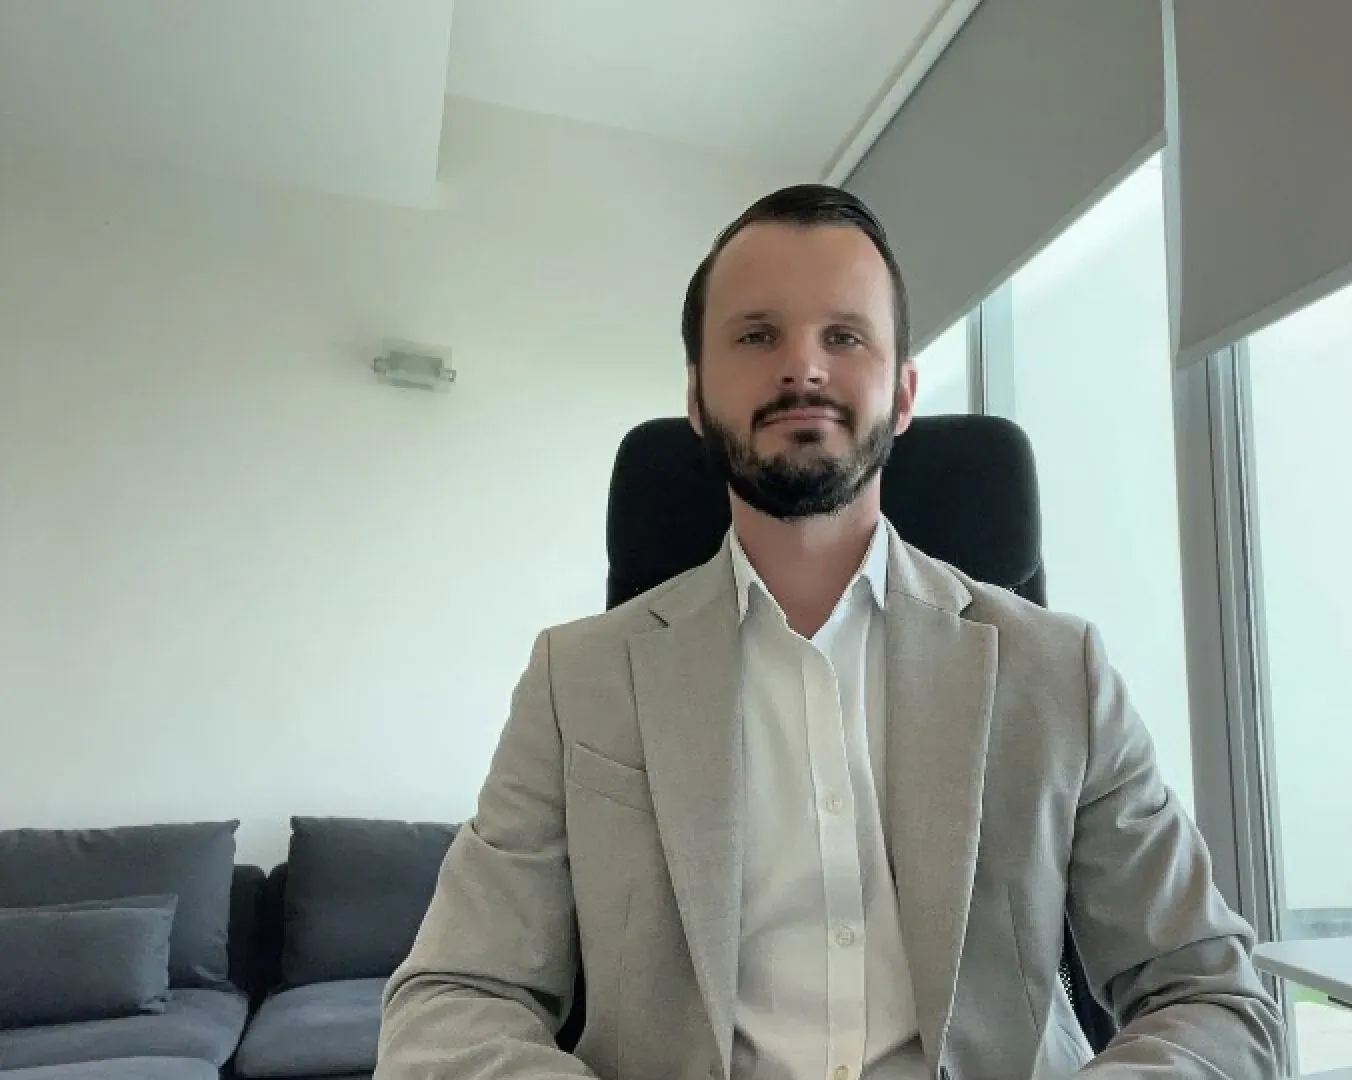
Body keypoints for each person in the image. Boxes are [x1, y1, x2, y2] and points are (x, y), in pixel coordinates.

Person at [377, 185, 1285, 1080]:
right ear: (696, 395)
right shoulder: (577, 683)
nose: (802, 368)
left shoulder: (1059, 673)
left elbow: (1209, 995)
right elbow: (451, 1001)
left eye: (843, 337)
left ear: (902, 392)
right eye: (756, 335)